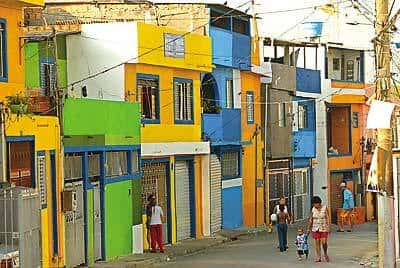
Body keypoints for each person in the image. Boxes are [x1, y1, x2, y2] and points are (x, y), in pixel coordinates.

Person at [307, 196, 331, 263]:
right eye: (313, 204)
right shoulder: (313, 209)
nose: (315, 205)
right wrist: (308, 228)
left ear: (319, 203)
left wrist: (329, 226)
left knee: (324, 242)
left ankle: (325, 253)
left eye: (316, 204)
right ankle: (318, 256)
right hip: (315, 227)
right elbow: (310, 219)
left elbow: (328, 217)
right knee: (317, 242)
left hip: (323, 227)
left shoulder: (325, 208)